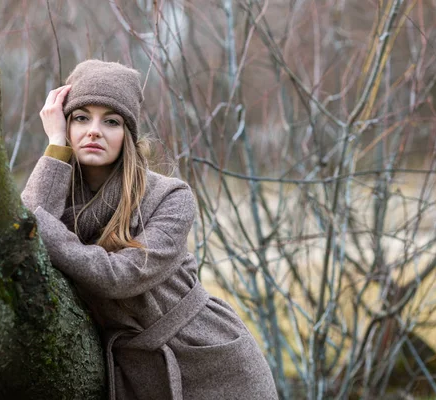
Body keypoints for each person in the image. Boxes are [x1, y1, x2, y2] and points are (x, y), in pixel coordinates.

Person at [21, 59, 278, 400]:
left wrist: (40, 225)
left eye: (111, 121)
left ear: (128, 134)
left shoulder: (170, 196)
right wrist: (55, 144)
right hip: (131, 371)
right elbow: (23, 234)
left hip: (210, 357)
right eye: (81, 118)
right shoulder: (56, 188)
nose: (94, 130)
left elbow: (121, 275)